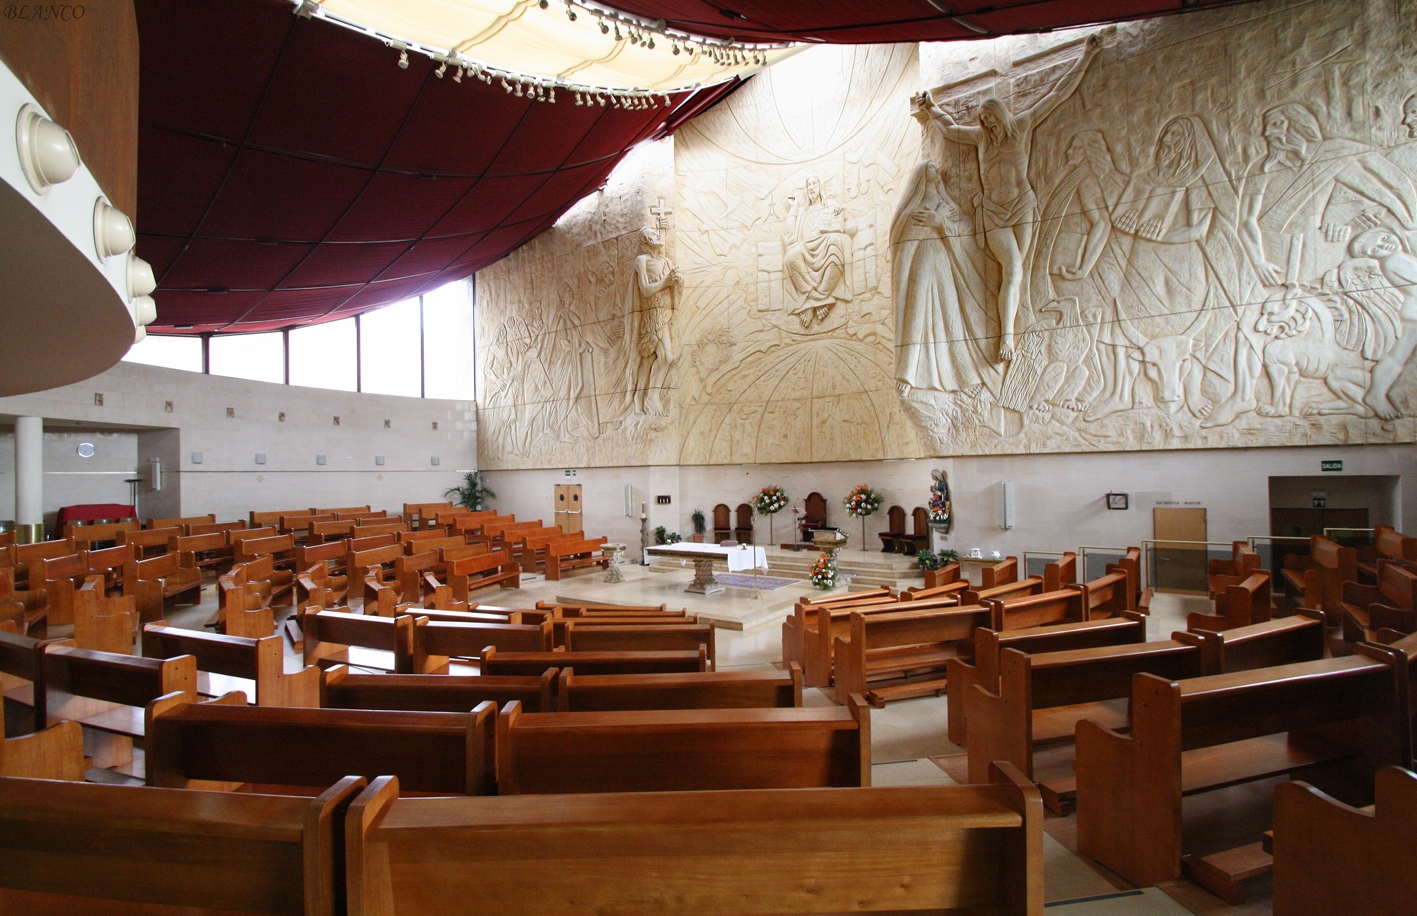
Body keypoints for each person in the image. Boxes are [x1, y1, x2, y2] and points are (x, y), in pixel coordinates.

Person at [912, 33, 1101, 362]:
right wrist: (930, 108)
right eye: (983, 122)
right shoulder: (980, 140)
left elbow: (1059, 93)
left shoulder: (1023, 125)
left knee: (1017, 272)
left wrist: (1086, 56)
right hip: (994, 212)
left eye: (990, 120)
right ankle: (1007, 338)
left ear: (1000, 116)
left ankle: (1017, 323)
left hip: (1023, 206)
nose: (987, 125)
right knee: (1012, 268)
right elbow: (949, 129)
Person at [890, 160, 994, 395]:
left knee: (951, 316)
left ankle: (964, 377)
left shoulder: (946, 205)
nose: (937, 171)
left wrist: (942, 221)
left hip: (945, 264)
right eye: (931, 169)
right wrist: (936, 219)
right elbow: (907, 238)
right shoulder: (916, 207)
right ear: (921, 177)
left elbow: (966, 230)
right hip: (924, 262)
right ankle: (907, 373)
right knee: (917, 314)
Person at [1350, 228, 1417, 420]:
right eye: (1375, 249)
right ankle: (1376, 394)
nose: (1384, 245)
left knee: (1399, 357)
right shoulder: (1395, 260)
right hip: (1414, 315)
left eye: (1383, 238)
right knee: (1397, 358)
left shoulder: (1400, 257)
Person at [782, 176, 857, 328]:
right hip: (806, 246)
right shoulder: (802, 211)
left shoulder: (831, 205)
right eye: (808, 184)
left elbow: (851, 229)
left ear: (820, 186)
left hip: (825, 242)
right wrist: (794, 207)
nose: (811, 187)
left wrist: (843, 214)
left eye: (814, 183)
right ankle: (819, 299)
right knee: (790, 257)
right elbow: (788, 235)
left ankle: (822, 294)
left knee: (836, 241)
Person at [626, 227, 678, 415]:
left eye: (658, 233)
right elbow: (645, 290)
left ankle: (647, 397)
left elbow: (674, 286)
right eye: (654, 235)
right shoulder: (642, 260)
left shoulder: (666, 261)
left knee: (656, 358)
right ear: (646, 241)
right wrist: (665, 283)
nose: (658, 236)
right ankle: (646, 398)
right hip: (652, 313)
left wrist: (677, 281)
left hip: (665, 311)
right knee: (656, 357)